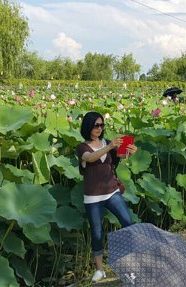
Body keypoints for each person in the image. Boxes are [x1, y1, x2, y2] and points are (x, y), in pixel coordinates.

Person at [76, 111, 138, 282]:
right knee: (96, 233)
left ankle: (129, 265)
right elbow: (90, 158)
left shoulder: (107, 142)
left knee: (128, 223)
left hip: (111, 191)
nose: (99, 128)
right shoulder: (82, 147)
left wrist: (130, 151)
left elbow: (118, 159)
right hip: (93, 196)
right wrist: (109, 146)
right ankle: (99, 270)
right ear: (88, 126)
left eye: (102, 125)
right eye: (96, 125)